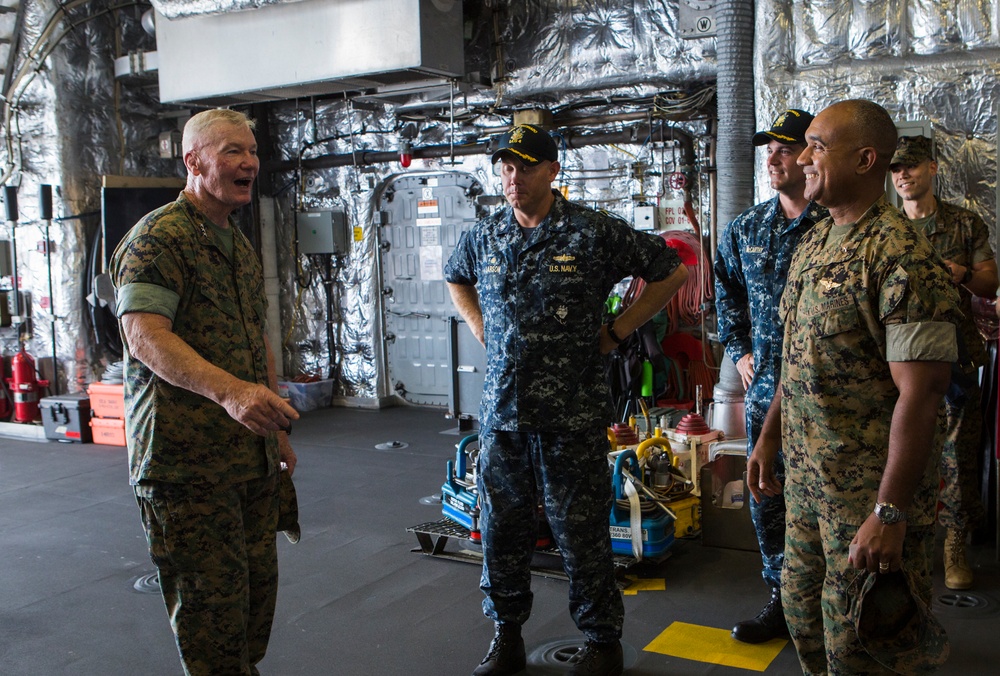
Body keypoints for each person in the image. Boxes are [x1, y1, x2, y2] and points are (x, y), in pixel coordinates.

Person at [445, 124, 687, 676]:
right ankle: (506, 636)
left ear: (553, 171)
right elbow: (456, 278)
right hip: (504, 417)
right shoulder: (484, 235)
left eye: (525, 167)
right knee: (502, 532)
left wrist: (619, 331)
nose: (513, 178)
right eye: (505, 168)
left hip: (571, 418)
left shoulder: (592, 233)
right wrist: (482, 327)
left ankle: (603, 641)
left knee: (580, 534)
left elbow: (670, 271)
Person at [747, 100, 962, 674]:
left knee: (865, 643)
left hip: (867, 496)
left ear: (866, 159)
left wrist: (889, 512)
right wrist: (769, 440)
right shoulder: (815, 245)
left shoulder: (901, 255)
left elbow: (924, 392)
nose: (803, 156)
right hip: (808, 486)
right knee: (802, 614)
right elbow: (795, 360)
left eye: (817, 145)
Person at [111, 108, 299, 676]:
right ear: (193, 162)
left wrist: (276, 429)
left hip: (247, 460)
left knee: (251, 615)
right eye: (232, 152)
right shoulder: (159, 238)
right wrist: (233, 394)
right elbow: (144, 337)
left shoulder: (235, 242)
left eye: (252, 151)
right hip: (186, 468)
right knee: (211, 624)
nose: (249, 163)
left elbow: (254, 336)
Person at [714, 108, 828, 644]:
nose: (773, 156)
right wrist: (738, 350)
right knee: (769, 501)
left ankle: (836, 606)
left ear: (809, 155)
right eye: (769, 148)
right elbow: (726, 293)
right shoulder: (747, 229)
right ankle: (782, 601)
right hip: (765, 398)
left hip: (829, 399)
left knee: (831, 501)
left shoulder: (834, 225)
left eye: (784, 146)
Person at [890, 135, 998, 590]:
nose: (903, 176)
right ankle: (903, 543)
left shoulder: (963, 223)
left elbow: (990, 283)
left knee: (956, 455)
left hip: (952, 357)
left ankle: (954, 544)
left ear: (932, 168)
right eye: (896, 170)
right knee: (898, 452)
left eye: (911, 166)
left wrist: (963, 275)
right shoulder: (885, 229)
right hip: (897, 361)